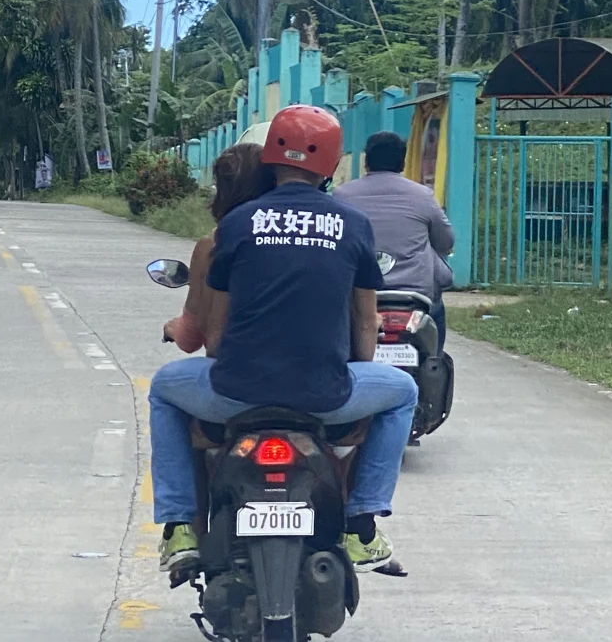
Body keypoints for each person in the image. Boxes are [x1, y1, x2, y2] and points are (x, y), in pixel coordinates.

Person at [149, 105, 418, 577]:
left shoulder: (236, 225)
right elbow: (364, 326)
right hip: (325, 396)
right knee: (404, 393)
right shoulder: (352, 225)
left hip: (234, 394)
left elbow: (216, 336)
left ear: (271, 155)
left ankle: (179, 525)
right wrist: (351, 367)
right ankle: (362, 523)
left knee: (163, 388)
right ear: (332, 164)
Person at [333, 130, 455, 350]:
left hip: (359, 292)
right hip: (416, 294)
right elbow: (445, 242)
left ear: (366, 161)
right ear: (403, 162)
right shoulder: (422, 196)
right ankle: (435, 363)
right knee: (436, 316)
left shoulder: (342, 196)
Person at [163, 142, 275, 355]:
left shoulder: (214, 244)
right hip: (311, 369)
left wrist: (173, 329)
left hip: (238, 370)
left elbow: (191, 337)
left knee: (163, 383)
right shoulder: (307, 237)